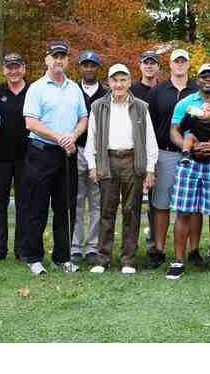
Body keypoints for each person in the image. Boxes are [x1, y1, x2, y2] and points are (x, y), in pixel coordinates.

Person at [166, 63, 210, 280]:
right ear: (197, 80)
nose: (208, 80)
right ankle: (178, 261)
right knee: (183, 212)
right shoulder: (186, 104)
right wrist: (188, 146)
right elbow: (174, 131)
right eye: (204, 77)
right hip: (190, 162)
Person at [22, 41, 88, 275]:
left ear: (67, 61)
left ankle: (63, 257)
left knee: (66, 208)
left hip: (67, 154)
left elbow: (83, 119)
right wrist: (58, 137)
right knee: (37, 207)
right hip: (41, 152)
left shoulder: (74, 89)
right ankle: (33, 257)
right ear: (46, 60)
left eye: (62, 57)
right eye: (54, 56)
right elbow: (31, 122)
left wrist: (72, 135)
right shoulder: (37, 88)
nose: (58, 60)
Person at [85, 63, 158, 274]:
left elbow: (150, 140)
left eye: (123, 80)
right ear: (109, 82)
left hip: (132, 160)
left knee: (131, 211)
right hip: (107, 160)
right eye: (115, 80)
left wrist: (150, 169)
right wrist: (92, 166)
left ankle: (128, 259)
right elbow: (92, 138)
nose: (119, 84)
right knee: (106, 211)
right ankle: (103, 258)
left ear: (129, 82)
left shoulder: (140, 107)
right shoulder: (98, 106)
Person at [146, 49, 198, 268]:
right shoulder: (158, 91)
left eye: (183, 61)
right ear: (170, 64)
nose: (179, 64)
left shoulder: (197, 90)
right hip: (165, 152)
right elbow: (150, 126)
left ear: (188, 64)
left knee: (192, 205)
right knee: (161, 204)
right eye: (176, 61)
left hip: (193, 154)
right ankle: (158, 249)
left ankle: (193, 250)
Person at [71, 50, 110, 267]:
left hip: (99, 153)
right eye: (85, 65)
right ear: (80, 67)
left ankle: (93, 247)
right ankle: (76, 247)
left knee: (97, 203)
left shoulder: (106, 93)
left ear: (98, 68)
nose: (88, 68)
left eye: (92, 65)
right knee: (76, 201)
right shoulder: (71, 90)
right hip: (76, 150)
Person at [0, 53, 29, 262]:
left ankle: (21, 249)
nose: (13, 71)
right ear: (4, 69)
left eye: (17, 67)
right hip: (0, 157)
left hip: (27, 158)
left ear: (24, 68)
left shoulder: (33, 90)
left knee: (25, 204)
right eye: (9, 67)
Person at [130, 50, 161, 256]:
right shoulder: (131, 89)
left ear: (158, 66)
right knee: (131, 203)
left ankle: (153, 247)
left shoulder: (163, 89)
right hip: (133, 151)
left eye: (153, 63)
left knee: (155, 203)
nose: (149, 66)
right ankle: (130, 247)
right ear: (140, 66)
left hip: (158, 152)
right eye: (146, 63)